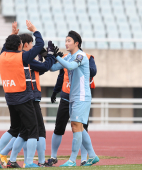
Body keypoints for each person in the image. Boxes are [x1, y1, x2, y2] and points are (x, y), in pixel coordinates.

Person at [0, 20, 45, 169]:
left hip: (10, 97)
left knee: (14, 128)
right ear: (20, 46)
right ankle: (30, 162)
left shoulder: (1, 56)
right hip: (23, 97)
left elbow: (5, 47)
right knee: (33, 130)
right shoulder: (22, 57)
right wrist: (35, 30)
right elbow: (39, 46)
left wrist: (12, 34)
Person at [0, 33, 56, 167]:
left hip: (27, 97)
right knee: (34, 131)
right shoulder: (24, 58)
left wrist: (47, 57)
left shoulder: (21, 58)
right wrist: (50, 56)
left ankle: (9, 156)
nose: (32, 47)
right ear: (24, 45)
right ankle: (25, 160)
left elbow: (41, 69)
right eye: (30, 44)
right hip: (29, 97)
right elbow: (45, 67)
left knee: (24, 131)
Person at [50, 30, 99, 167]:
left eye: (69, 41)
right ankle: (93, 156)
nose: (66, 43)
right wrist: (48, 57)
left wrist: (57, 56)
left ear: (76, 43)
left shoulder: (81, 56)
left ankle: (72, 160)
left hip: (82, 96)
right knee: (78, 127)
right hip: (73, 96)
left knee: (76, 126)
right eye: (65, 41)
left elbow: (71, 66)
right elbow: (54, 68)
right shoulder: (69, 56)